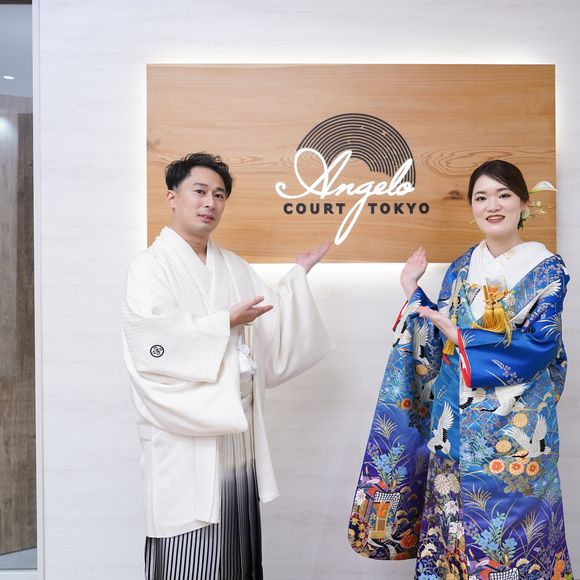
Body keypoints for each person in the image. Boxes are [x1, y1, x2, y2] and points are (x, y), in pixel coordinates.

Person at [349, 160, 573, 579]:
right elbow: (440, 339)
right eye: (481, 197)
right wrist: (414, 293)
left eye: (504, 195)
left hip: (515, 434)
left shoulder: (548, 269)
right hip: (453, 427)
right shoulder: (461, 266)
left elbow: (542, 345)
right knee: (453, 536)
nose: (492, 206)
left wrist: (462, 335)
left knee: (513, 540)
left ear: (525, 203)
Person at [122, 152, 332, 580]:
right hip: (183, 433)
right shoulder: (149, 268)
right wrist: (225, 323)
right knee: (186, 551)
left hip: (236, 431)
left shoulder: (234, 267)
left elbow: (271, 325)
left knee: (235, 548)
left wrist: (296, 279)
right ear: (172, 197)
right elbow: (151, 345)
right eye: (200, 191)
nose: (210, 203)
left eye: (219, 195)